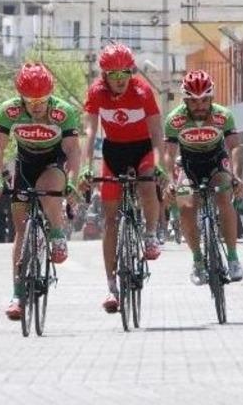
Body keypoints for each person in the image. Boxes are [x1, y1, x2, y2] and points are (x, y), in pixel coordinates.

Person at [0, 63, 81, 321]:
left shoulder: (63, 112)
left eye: (43, 100)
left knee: (45, 190)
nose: (38, 106)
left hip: (53, 164)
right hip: (24, 165)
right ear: (21, 98)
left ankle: (57, 232)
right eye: (31, 101)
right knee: (20, 231)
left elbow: (73, 150)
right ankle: (18, 295)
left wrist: (71, 181)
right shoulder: (9, 110)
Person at [79, 43, 166, 314]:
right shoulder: (96, 92)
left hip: (143, 149)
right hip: (113, 151)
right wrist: (85, 168)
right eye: (113, 75)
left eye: (124, 74)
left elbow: (156, 134)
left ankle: (150, 234)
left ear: (131, 73)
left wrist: (160, 164)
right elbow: (90, 131)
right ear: (104, 76)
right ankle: (111, 286)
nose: (119, 80)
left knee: (148, 184)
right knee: (110, 219)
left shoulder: (142, 91)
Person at [162, 70, 243, 287]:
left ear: (212, 98)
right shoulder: (175, 119)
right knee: (186, 208)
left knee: (224, 199)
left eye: (205, 100)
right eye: (193, 101)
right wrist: (170, 181)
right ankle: (198, 260)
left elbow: (234, 146)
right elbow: (169, 154)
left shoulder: (223, 115)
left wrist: (236, 176)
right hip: (189, 165)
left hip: (216, 163)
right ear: (185, 100)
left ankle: (233, 257)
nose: (199, 106)